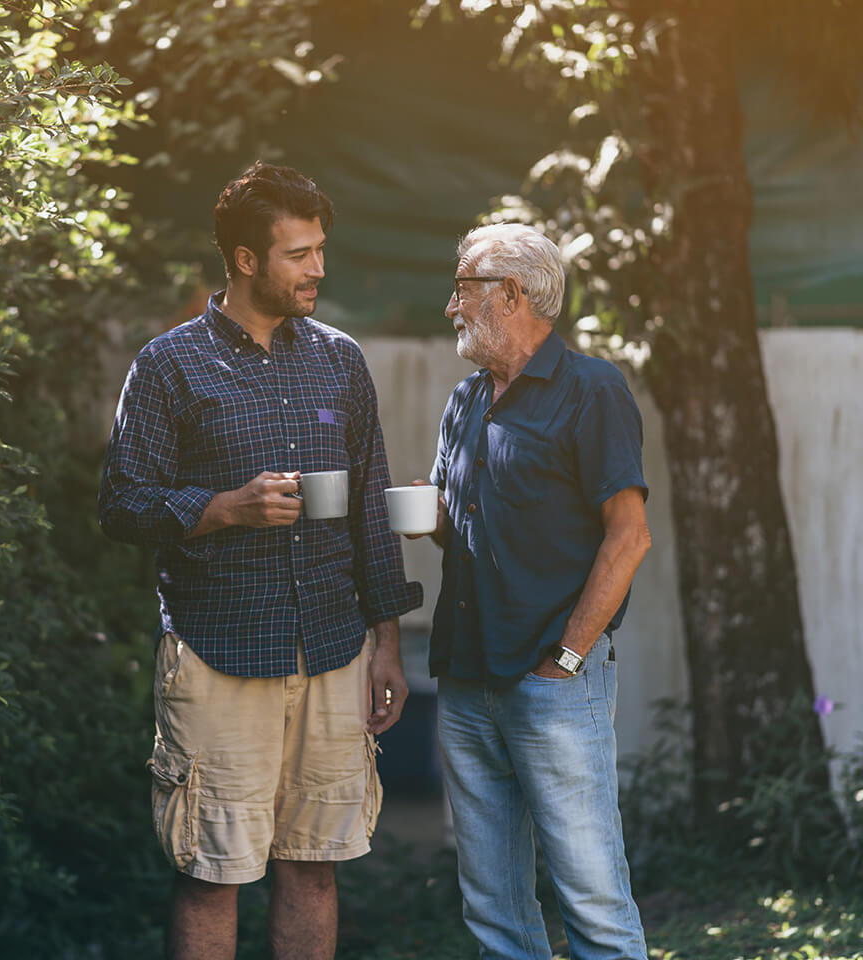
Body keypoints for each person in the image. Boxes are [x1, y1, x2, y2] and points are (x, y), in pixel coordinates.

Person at [98, 161, 422, 960]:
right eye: (298, 253)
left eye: (320, 250)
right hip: (219, 651)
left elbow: (370, 510)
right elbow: (121, 504)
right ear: (246, 260)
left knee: (314, 868)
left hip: (332, 649)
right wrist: (220, 509)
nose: (318, 267)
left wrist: (388, 641)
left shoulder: (341, 361)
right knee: (213, 872)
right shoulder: (170, 364)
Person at [423, 222, 651, 959]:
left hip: (551, 683)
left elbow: (630, 537)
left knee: (592, 904)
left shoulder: (592, 390)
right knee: (494, 912)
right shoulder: (464, 401)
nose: (451, 306)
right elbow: (462, 526)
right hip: (463, 679)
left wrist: (568, 658)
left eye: (462, 287)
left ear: (511, 294)